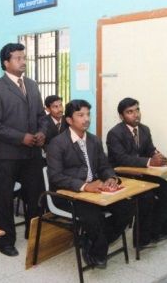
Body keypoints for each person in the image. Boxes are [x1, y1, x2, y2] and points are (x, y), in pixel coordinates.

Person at [47, 99, 135, 268]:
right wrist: (85, 186)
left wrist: (111, 178)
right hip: (68, 194)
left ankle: (91, 241)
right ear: (69, 120)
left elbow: (104, 166)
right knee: (94, 216)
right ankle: (98, 249)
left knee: (127, 208)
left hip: (95, 191)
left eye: (88, 114)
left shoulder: (94, 140)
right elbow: (55, 177)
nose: (86, 119)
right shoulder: (57, 144)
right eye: (80, 115)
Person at [0, 43, 47, 256]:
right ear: (6, 62)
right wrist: (21, 138)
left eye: (24, 57)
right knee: (5, 198)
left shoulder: (31, 84)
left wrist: (42, 133)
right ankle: (5, 240)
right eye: (18, 58)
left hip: (32, 153)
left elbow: (41, 116)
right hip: (8, 155)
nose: (23, 61)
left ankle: (35, 233)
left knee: (35, 196)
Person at [106, 97, 167, 245]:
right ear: (122, 116)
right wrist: (149, 161)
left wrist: (157, 155)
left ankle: (154, 230)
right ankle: (141, 239)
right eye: (130, 112)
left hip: (143, 174)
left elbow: (150, 149)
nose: (136, 114)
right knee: (147, 197)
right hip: (123, 175)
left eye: (137, 110)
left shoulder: (144, 129)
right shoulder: (114, 133)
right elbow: (121, 159)